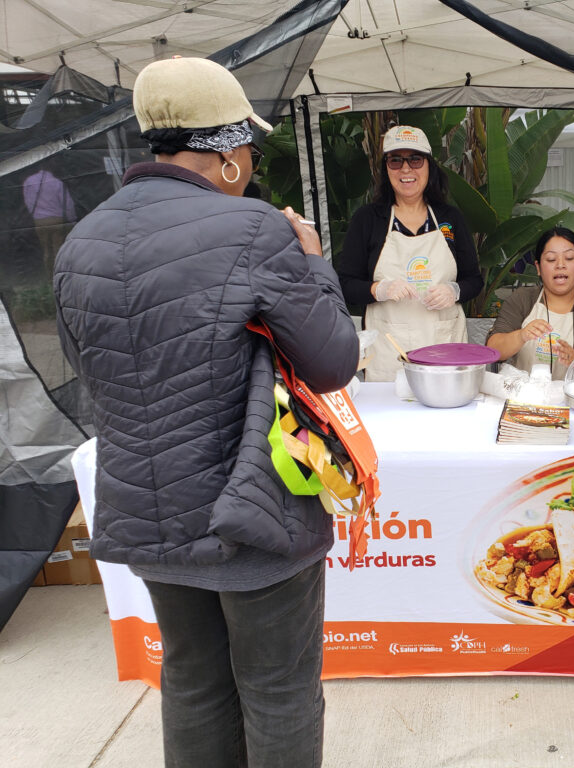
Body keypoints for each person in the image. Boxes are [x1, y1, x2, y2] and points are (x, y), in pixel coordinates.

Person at [52, 57, 359, 768]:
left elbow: (86, 365)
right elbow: (332, 359)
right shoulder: (254, 229)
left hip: (149, 513)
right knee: (278, 691)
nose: (250, 163)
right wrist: (312, 263)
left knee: (190, 684)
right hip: (248, 510)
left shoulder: (80, 244)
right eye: (247, 149)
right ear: (223, 156)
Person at [337, 125, 483, 381]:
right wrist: (379, 290)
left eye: (415, 159)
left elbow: (474, 279)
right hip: (389, 350)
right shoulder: (368, 219)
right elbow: (345, 284)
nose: (406, 169)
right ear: (386, 170)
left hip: (443, 343)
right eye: (396, 161)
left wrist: (455, 290)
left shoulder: (450, 218)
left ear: (429, 166)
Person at [486, 227, 574, 380]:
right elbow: (493, 350)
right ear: (538, 268)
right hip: (524, 400)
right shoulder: (523, 299)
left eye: (569, 258)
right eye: (551, 259)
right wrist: (521, 336)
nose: (560, 265)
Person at [22, 161, 77, 276]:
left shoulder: (29, 181)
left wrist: (35, 214)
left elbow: (28, 201)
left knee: (46, 251)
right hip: (57, 220)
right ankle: (60, 276)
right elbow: (67, 204)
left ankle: (49, 278)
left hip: (39, 221)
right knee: (58, 249)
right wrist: (72, 220)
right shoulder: (57, 183)